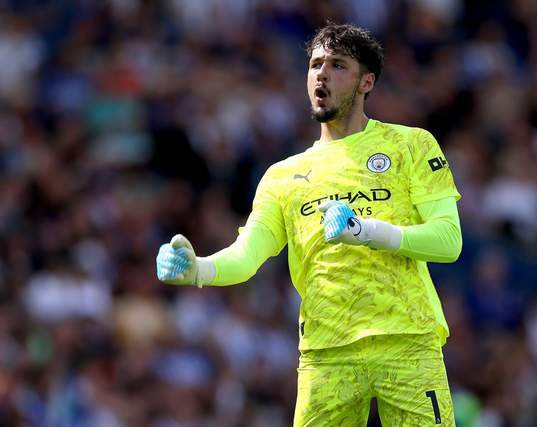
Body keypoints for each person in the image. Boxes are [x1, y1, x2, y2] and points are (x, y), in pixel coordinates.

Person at [157, 23, 462, 426]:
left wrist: (366, 232)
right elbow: (246, 257)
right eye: (316, 64)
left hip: (407, 339)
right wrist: (198, 269)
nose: (321, 74)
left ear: (367, 81)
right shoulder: (283, 176)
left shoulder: (410, 145)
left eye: (338, 65)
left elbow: (448, 240)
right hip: (326, 352)